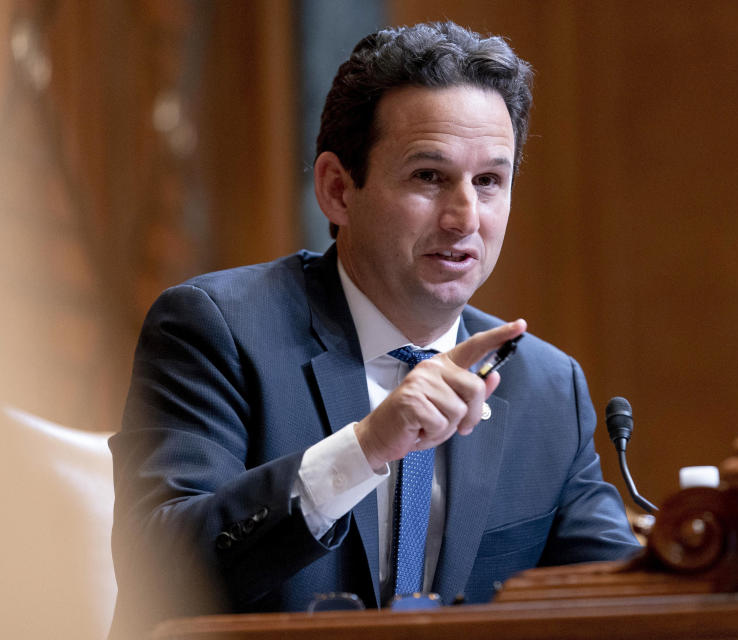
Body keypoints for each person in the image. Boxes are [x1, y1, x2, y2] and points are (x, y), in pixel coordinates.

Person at [109, 21, 640, 639]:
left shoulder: (546, 385)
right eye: (429, 177)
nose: (464, 217)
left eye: (490, 181)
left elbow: (622, 594)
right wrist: (364, 448)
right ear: (337, 189)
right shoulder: (217, 328)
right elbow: (159, 572)